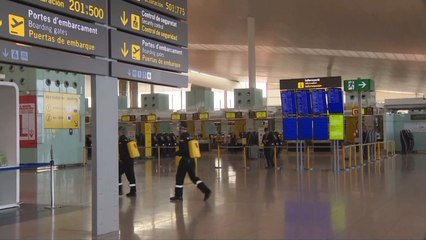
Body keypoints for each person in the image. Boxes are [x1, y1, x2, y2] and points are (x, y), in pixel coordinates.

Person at [170, 122, 212, 201]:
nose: (178, 129)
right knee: (193, 177)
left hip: (185, 160)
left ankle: (178, 196)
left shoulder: (183, 136)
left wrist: (175, 153)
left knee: (179, 177)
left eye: (179, 127)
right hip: (192, 160)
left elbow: (184, 150)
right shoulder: (190, 136)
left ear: (181, 128)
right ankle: (206, 190)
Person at [118, 126, 137, 197]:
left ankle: (119, 190)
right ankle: (133, 191)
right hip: (130, 160)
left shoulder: (121, 140)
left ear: (120, 132)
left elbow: (121, 151)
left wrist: (121, 160)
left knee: (117, 174)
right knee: (131, 176)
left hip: (124, 161)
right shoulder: (128, 139)